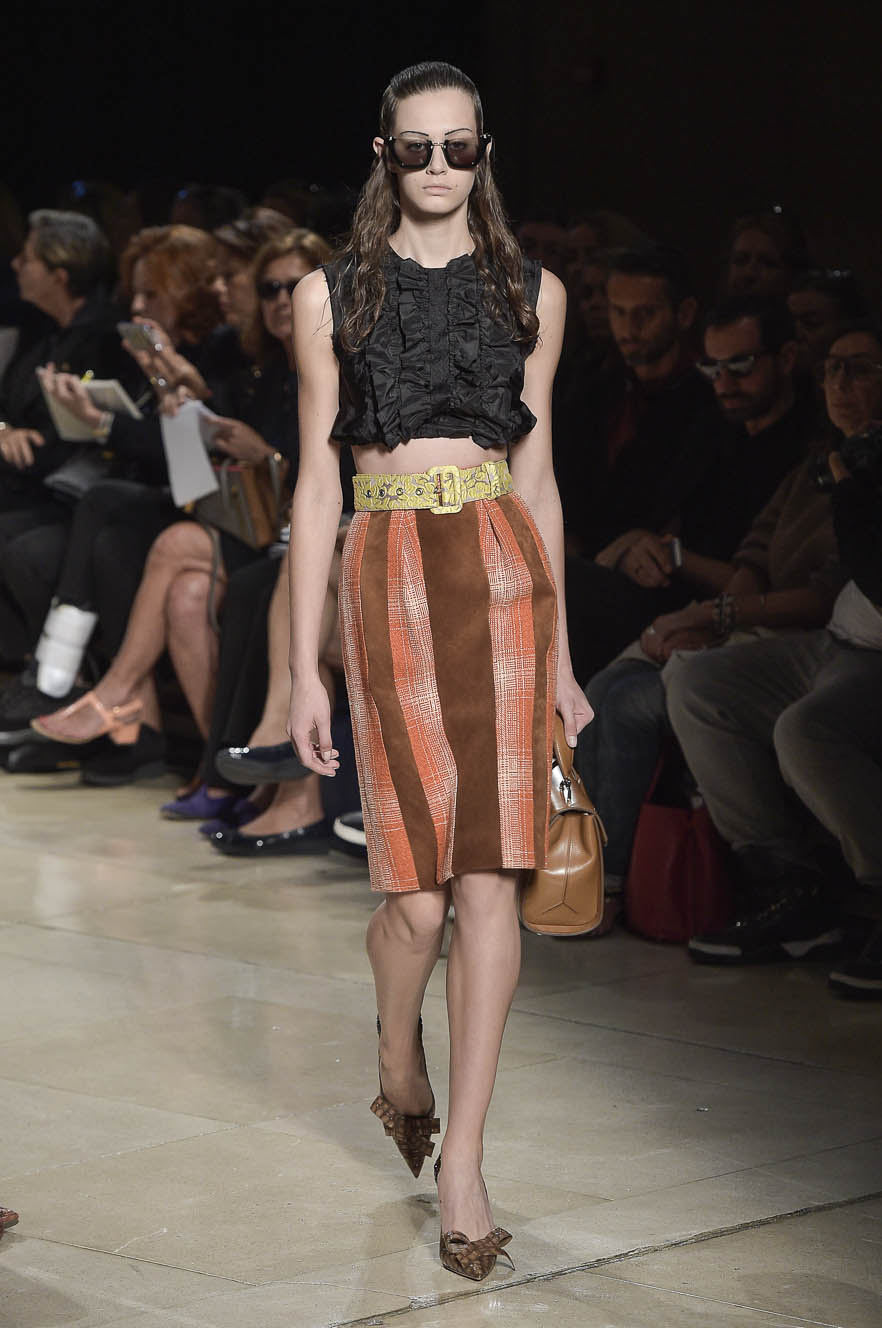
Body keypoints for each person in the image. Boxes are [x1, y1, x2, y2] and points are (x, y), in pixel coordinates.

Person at [286, 61, 590, 1281]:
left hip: (504, 573)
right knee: (415, 900)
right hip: (386, 573)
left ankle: (463, 1162)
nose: (438, 169)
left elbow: (541, 477)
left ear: (485, 152)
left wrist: (564, 657)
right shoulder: (328, 295)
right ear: (383, 155)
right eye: (415, 149)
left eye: (459, 148)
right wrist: (300, 668)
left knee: (489, 887)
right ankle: (396, 1045)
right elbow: (316, 488)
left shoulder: (533, 292)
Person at [30, 231, 329, 785]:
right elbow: (212, 441)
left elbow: (328, 473)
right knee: (186, 596)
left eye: (294, 286)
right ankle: (220, 772)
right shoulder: (265, 373)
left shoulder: (333, 369)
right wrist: (181, 391)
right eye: (269, 287)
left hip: (297, 539)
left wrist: (264, 455)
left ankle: (116, 693)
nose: (280, 299)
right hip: (252, 525)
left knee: (161, 543)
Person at [666, 330, 882, 989]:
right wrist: (719, 611)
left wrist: (855, 484)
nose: (840, 384)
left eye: (860, 370)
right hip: (835, 640)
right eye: (832, 369)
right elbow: (759, 548)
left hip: (870, 653)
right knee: (696, 681)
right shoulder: (831, 457)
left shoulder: (856, 465)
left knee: (806, 730)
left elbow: (865, 571)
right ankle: (789, 886)